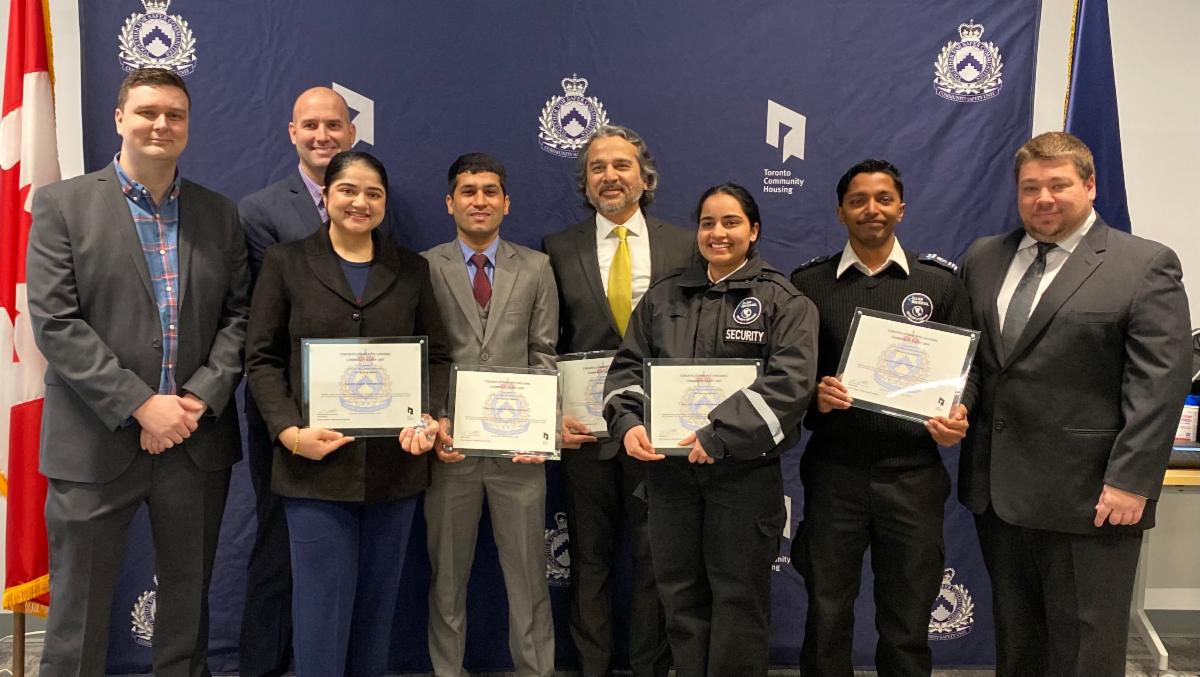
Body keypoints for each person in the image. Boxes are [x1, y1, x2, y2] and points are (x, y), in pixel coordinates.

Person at [26, 67, 250, 676]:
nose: (161, 124)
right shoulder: (61, 204)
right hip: (93, 444)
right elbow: (56, 322)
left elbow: (239, 318)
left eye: (174, 115)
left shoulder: (220, 214)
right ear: (120, 118)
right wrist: (139, 404)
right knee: (77, 618)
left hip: (194, 443)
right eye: (148, 111)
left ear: (188, 126)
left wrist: (196, 400)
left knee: (188, 616)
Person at [959, 131, 1191, 677]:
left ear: (1089, 186)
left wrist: (1132, 480)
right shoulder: (983, 257)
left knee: (1086, 647)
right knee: (1018, 643)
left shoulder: (1144, 264)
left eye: (1059, 185)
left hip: (1093, 497)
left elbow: (1160, 382)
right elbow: (971, 360)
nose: (1044, 198)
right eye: (1030, 187)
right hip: (998, 493)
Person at [245, 150, 451, 676]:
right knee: (318, 616)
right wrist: (289, 431)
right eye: (348, 191)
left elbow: (437, 355)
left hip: (396, 466)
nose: (360, 202)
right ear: (327, 197)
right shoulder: (285, 262)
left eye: (373, 193)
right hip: (312, 466)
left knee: (377, 615)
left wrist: (430, 416)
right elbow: (262, 358)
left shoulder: (412, 268)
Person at [603, 183, 818, 677]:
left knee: (739, 601)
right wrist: (630, 424)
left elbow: (791, 385)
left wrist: (717, 436)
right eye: (707, 223)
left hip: (743, 477)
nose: (718, 233)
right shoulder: (663, 296)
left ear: (754, 230)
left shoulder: (783, 300)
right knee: (679, 598)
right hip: (671, 478)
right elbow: (626, 371)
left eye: (730, 222)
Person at [237, 86, 398, 676]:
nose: (323, 135)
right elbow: (260, 331)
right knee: (281, 551)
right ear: (292, 132)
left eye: (334, 125)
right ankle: (263, 666)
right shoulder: (260, 212)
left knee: (358, 570)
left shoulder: (380, 209)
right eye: (311, 125)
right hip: (289, 416)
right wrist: (287, 423)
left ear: (352, 133)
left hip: (370, 415)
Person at [788, 159, 972, 677]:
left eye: (884, 198)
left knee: (909, 614)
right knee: (827, 609)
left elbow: (968, 372)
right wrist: (813, 396)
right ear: (841, 212)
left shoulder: (941, 284)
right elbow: (787, 373)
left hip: (913, 472)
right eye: (859, 200)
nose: (872, 209)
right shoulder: (809, 284)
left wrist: (961, 411)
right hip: (833, 471)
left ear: (901, 209)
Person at [541, 124, 692, 677]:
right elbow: (547, 341)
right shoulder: (558, 249)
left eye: (622, 165)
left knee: (657, 563)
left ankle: (652, 668)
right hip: (586, 435)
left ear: (644, 178)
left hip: (661, 431)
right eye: (598, 167)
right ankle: (593, 667)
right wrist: (550, 415)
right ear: (585, 182)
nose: (610, 175)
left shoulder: (683, 243)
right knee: (591, 561)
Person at [423, 153, 559, 677]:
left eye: (489, 191)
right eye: (467, 191)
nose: (479, 200)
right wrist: (437, 420)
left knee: (528, 579)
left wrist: (541, 433)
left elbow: (544, 353)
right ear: (450, 202)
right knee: (447, 582)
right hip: (449, 449)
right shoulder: (425, 265)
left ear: (506, 202)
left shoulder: (537, 266)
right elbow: (423, 355)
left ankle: (536, 671)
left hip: (518, 453)